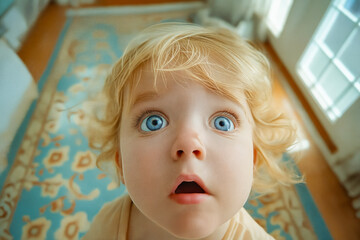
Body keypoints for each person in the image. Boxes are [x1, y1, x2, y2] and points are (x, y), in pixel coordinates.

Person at [84, 22, 300, 240]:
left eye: (222, 122)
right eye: (154, 122)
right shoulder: (107, 224)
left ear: (252, 159)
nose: (188, 144)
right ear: (121, 161)